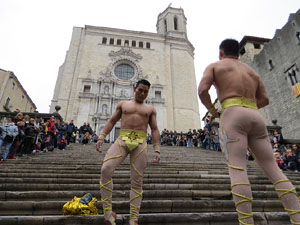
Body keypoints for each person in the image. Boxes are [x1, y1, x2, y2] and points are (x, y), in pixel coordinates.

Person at [198, 38, 300, 225]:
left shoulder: (215, 66)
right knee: (274, 169)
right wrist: (248, 106)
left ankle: (246, 221)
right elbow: (265, 100)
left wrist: (214, 112)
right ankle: (297, 217)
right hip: (256, 116)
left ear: (221, 53)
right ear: (238, 53)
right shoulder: (252, 72)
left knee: (237, 168)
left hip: (232, 113)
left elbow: (202, 90)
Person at [96, 79, 160, 225]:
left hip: (140, 142)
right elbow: (112, 121)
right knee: (106, 169)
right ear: (134, 88)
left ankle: (133, 218)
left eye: (145, 91)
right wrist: (102, 137)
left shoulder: (150, 109)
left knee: (137, 181)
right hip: (122, 140)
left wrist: (157, 149)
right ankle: (108, 212)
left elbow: (155, 129)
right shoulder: (123, 104)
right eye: (140, 90)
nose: (142, 93)